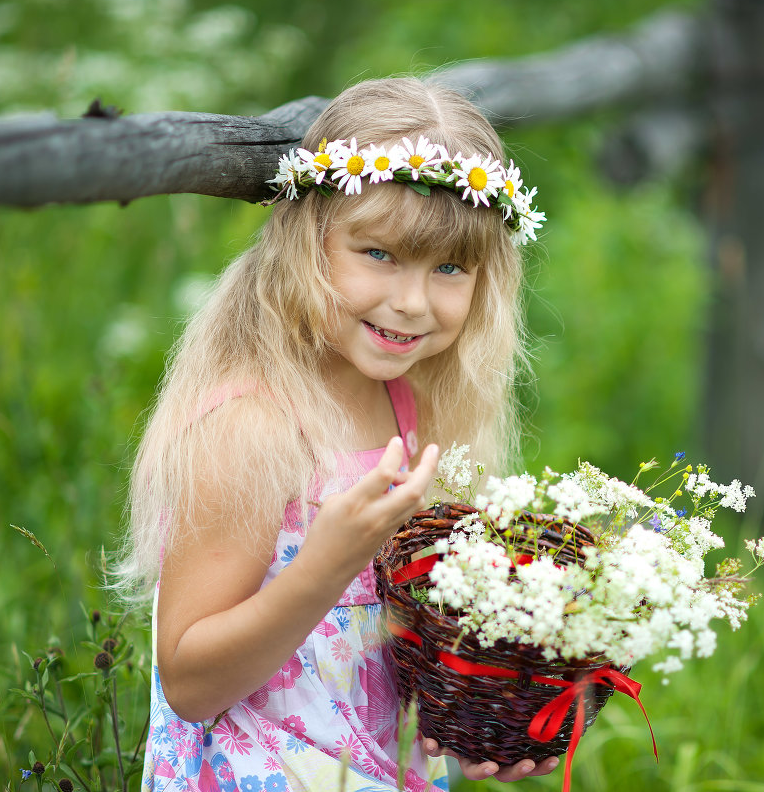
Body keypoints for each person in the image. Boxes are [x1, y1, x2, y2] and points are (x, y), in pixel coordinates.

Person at [117, 77, 555, 791]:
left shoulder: (406, 406)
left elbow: (377, 658)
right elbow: (191, 681)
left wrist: (476, 719)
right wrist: (324, 563)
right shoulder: (251, 427)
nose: (411, 301)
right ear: (308, 241)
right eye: (378, 253)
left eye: (449, 268)